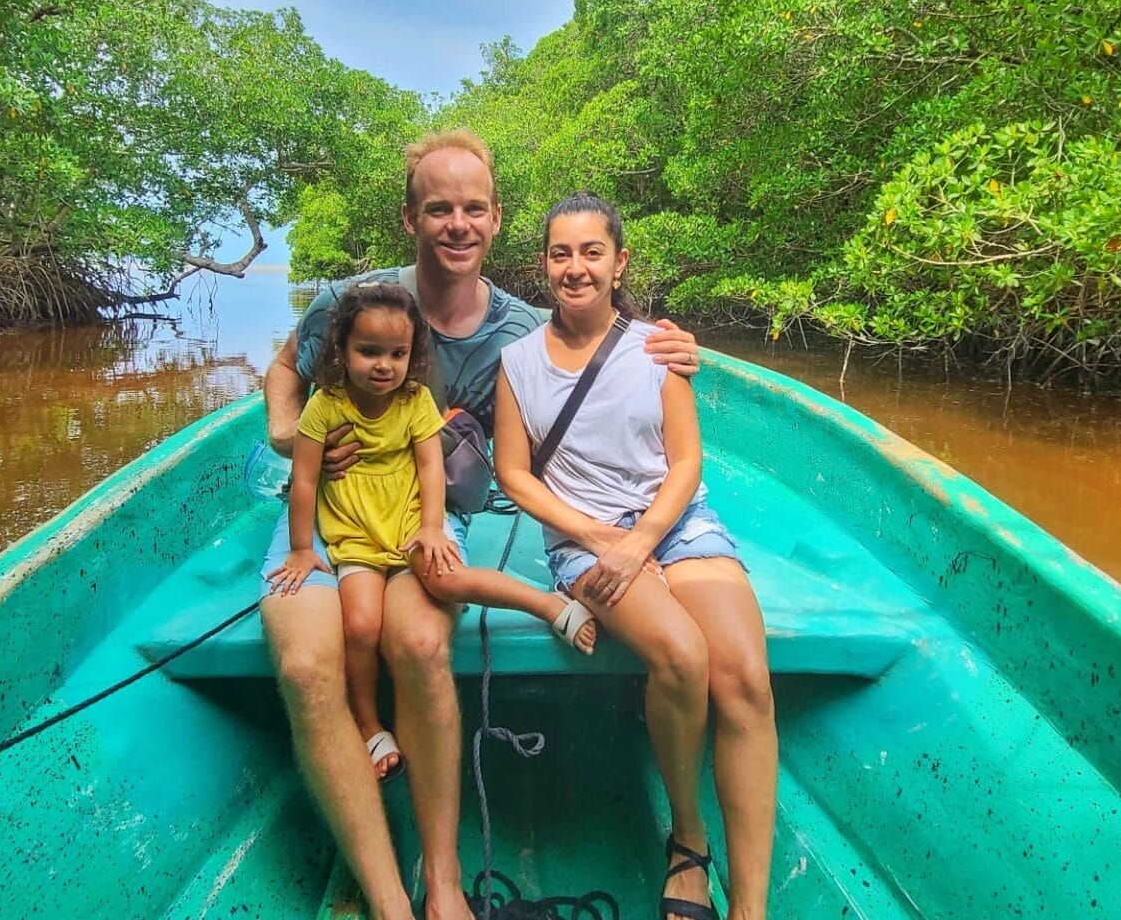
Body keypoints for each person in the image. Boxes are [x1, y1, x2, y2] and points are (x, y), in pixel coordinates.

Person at [257, 130, 701, 920]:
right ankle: (390, 897)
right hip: (323, 511)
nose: (456, 224)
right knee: (302, 667)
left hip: (427, 517)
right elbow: (284, 370)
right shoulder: (350, 300)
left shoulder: (523, 329)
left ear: (496, 219)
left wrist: (680, 348)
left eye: (472, 209)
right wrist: (296, 440)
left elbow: (607, 341)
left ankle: (445, 878)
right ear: (409, 218)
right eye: (438, 209)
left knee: (422, 642)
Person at [492, 192, 777, 920]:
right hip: (581, 538)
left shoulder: (659, 345)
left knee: (743, 671)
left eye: (593, 252)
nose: (576, 267)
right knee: (682, 654)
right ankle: (688, 841)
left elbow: (685, 462)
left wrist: (644, 540)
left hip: (674, 523)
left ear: (620, 264)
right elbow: (514, 475)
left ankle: (752, 906)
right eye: (561, 253)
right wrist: (598, 539)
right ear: (544, 264)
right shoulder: (518, 362)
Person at [268, 281, 599, 785]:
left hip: (406, 521)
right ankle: (369, 723)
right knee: (359, 626)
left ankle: (549, 605)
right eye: (369, 352)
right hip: (355, 534)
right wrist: (298, 550)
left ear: (412, 355)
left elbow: (429, 467)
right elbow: (306, 480)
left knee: (445, 578)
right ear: (342, 350)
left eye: (398, 354)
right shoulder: (326, 406)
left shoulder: (415, 400)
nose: (384, 365)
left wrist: (431, 527)